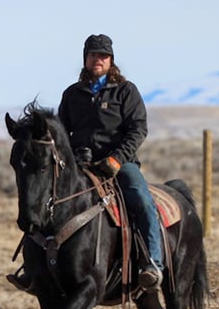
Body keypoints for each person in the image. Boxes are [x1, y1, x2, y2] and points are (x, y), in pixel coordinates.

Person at [8, 33, 164, 292]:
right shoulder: (72, 94)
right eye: (93, 55)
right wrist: (73, 157)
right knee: (48, 202)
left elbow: (138, 129)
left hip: (119, 163)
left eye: (103, 55)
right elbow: (61, 132)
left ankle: (152, 263)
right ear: (85, 58)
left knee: (141, 199)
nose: (98, 59)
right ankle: (35, 269)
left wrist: (116, 159)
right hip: (81, 164)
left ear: (111, 60)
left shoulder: (126, 91)